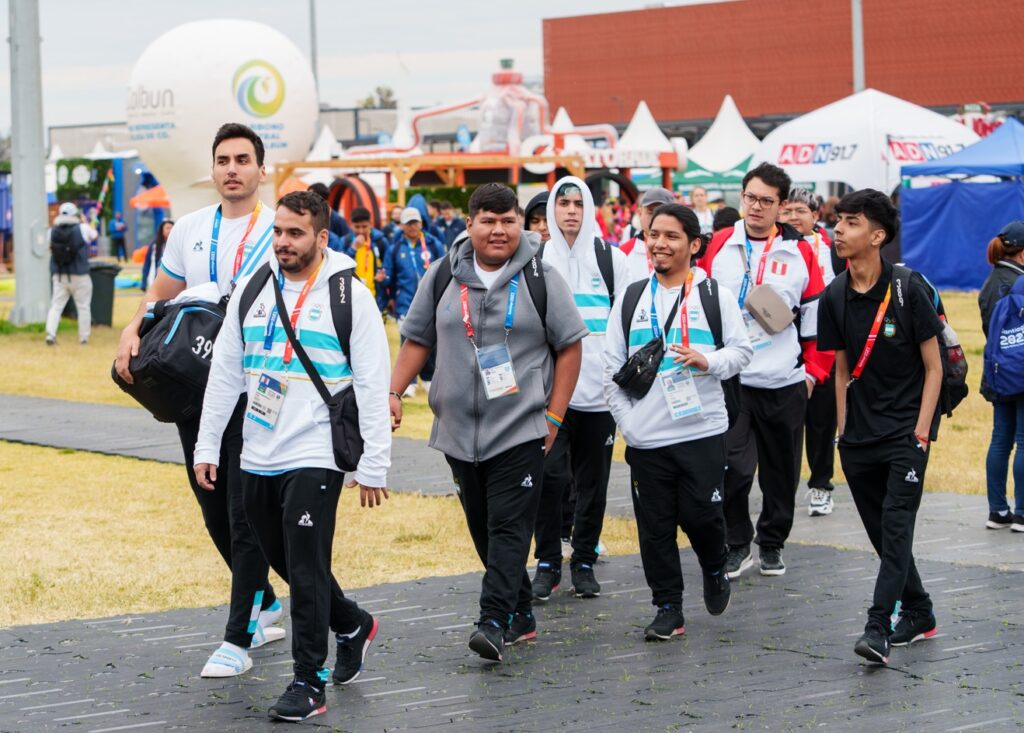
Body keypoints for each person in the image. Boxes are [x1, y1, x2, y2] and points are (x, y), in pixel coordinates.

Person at [195, 190, 391, 721]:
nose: (283, 241)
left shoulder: (351, 296)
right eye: (278, 231)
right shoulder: (254, 288)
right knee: (283, 559)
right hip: (257, 449)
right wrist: (207, 444)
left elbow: (373, 385)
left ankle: (310, 681)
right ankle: (352, 623)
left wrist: (373, 464)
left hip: (317, 449)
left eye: (295, 233)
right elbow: (226, 373)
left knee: (304, 567)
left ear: (321, 237)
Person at [114, 123, 283, 678]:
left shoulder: (279, 226)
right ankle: (264, 601)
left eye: (242, 160)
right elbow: (162, 293)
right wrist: (132, 327)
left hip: (256, 385)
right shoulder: (189, 227)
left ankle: (238, 638)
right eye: (222, 160)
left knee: (242, 510)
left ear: (262, 169)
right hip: (194, 383)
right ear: (212, 170)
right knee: (211, 503)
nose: (231, 169)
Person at [390, 183, 585, 662]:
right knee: (484, 528)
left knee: (509, 527)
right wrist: (393, 392)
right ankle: (520, 613)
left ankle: (492, 621)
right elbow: (417, 339)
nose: (499, 230)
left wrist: (554, 415)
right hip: (458, 431)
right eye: (488, 220)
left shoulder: (541, 276)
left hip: (520, 427)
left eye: (508, 220)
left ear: (520, 223)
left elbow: (570, 346)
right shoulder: (442, 276)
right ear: (470, 224)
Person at [604, 204, 752, 640]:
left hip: (702, 430)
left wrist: (709, 360)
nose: (659, 244)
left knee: (704, 517)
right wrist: (631, 426)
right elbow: (611, 370)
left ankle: (713, 565)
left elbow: (743, 352)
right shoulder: (631, 297)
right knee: (654, 529)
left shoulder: (713, 295)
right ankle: (668, 606)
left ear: (694, 245)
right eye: (653, 234)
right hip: (647, 440)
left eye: (671, 236)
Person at [817, 189, 944, 664]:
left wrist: (921, 432)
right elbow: (842, 370)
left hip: (906, 436)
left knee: (894, 530)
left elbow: (933, 367)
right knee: (881, 535)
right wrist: (842, 432)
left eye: (850, 223)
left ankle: (878, 627)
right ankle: (920, 611)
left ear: (878, 235)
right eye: (838, 221)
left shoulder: (908, 289)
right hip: (858, 440)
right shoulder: (833, 296)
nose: (838, 230)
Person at [698, 163, 833, 578]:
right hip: (732, 380)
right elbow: (697, 303)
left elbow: (814, 316)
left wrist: (812, 373)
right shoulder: (720, 243)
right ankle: (737, 543)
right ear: (741, 197)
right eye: (750, 198)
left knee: (782, 472)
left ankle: (772, 541)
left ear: (781, 206)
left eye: (766, 201)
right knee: (733, 468)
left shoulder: (801, 251)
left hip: (785, 380)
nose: (756, 207)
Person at [531, 176, 627, 602]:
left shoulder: (613, 259)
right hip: (550, 396)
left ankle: (583, 560)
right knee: (549, 480)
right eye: (563, 203)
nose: (570, 210)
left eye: (578, 203)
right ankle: (548, 561)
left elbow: (627, 324)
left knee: (594, 483)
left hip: (599, 394)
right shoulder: (535, 259)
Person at [782, 188, 841, 517]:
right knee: (786, 426)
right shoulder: (775, 249)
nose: (793, 217)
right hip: (784, 349)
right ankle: (783, 488)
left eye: (800, 210)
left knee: (821, 423)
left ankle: (820, 485)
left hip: (824, 347)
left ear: (815, 216)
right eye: (787, 210)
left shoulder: (832, 249)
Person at [978, 221, 1024, 531]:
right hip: (1021, 371)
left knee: (1000, 441)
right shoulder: (1019, 283)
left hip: (998, 372)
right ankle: (1022, 512)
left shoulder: (991, 281)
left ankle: (998, 511)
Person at [384, 206, 445, 397]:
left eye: (415, 222)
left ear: (421, 222)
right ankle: (409, 382)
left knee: (431, 339)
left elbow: (443, 268)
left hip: (432, 299)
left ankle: (428, 378)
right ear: (401, 225)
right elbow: (390, 275)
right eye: (408, 223)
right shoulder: (394, 248)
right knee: (407, 339)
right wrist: (390, 297)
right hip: (405, 300)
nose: (413, 226)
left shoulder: (433, 244)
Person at [45, 202, 98, 346]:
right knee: (83, 307)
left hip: (60, 275)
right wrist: (85, 220)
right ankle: (83, 338)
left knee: (56, 306)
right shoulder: (82, 228)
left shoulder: (52, 231)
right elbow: (94, 235)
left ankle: (50, 334)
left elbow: (48, 246)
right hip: (80, 274)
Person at [334, 207, 389, 313]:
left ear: (370, 224)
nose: (361, 230)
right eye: (357, 227)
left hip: (376, 299)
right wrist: (353, 249)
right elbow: (338, 267)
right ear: (351, 225)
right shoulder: (345, 241)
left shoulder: (380, 241)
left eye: (364, 226)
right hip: (352, 299)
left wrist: (384, 276)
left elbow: (389, 267)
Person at [621, 188, 675, 284]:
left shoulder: (684, 249)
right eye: (651, 212)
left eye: (662, 212)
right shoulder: (624, 253)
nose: (655, 217)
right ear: (640, 213)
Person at [141, 219, 174, 292]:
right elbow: (147, 263)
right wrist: (143, 283)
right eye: (167, 228)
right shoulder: (155, 245)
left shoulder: (177, 245)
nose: (170, 230)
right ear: (161, 230)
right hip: (157, 278)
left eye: (172, 228)